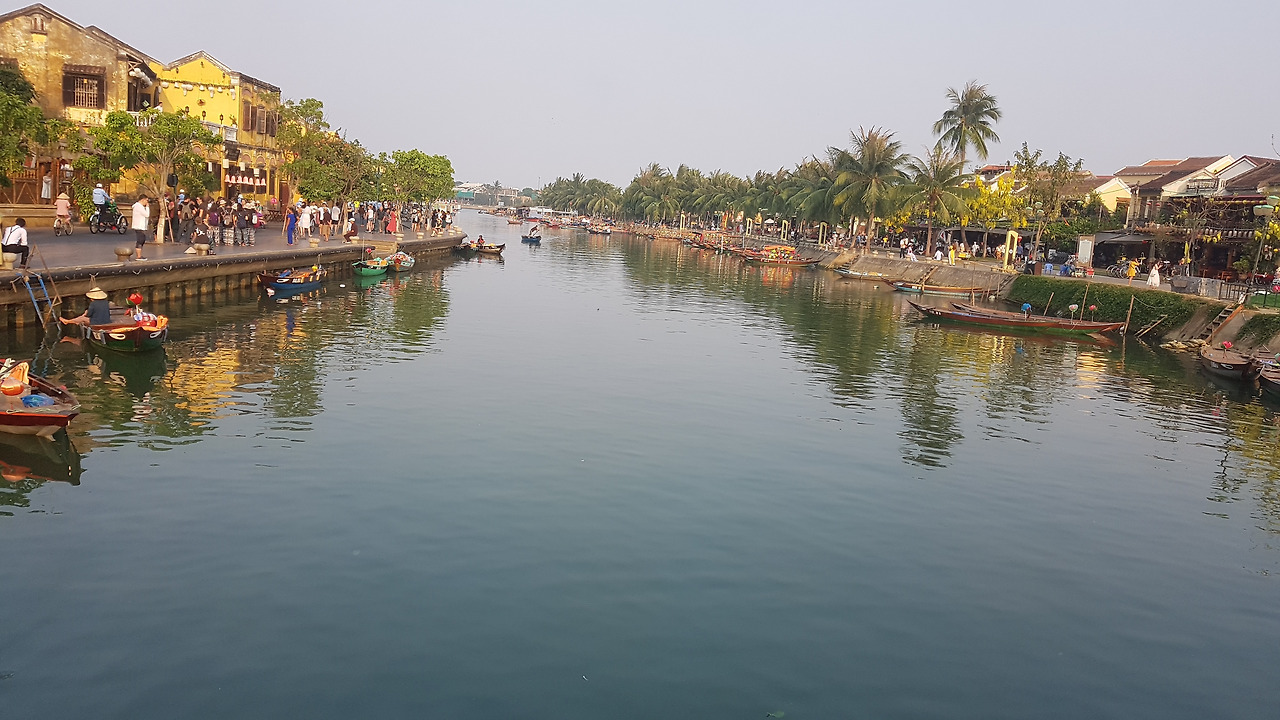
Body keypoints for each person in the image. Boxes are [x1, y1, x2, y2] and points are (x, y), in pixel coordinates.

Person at [131, 195, 150, 260]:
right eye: (146, 200)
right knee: (140, 240)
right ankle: (138, 256)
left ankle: (139, 255)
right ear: (142, 200)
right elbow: (147, 214)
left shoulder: (139, 206)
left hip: (141, 225)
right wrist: (147, 207)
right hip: (139, 225)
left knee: (142, 240)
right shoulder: (138, 206)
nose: (147, 202)